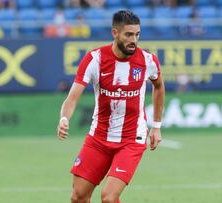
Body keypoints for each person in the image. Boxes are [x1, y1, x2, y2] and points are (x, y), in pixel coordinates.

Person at [57, 10, 165, 203]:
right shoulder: (95, 60)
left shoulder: (148, 61)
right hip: (99, 137)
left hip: (131, 139)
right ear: (115, 33)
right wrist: (64, 118)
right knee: (78, 196)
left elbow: (159, 87)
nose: (134, 40)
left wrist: (156, 126)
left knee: (108, 197)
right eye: (129, 35)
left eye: (137, 34)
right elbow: (72, 98)